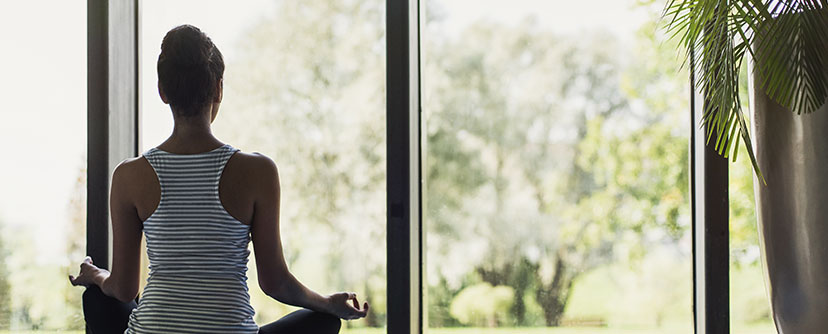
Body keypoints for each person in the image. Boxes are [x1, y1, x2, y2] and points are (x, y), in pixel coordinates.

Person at [68, 24, 369, 334]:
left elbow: (123, 290)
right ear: (218, 89)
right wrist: (327, 302)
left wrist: (96, 275)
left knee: (98, 297)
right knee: (325, 320)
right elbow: (276, 283)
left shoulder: (129, 175)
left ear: (162, 91)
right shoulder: (258, 171)